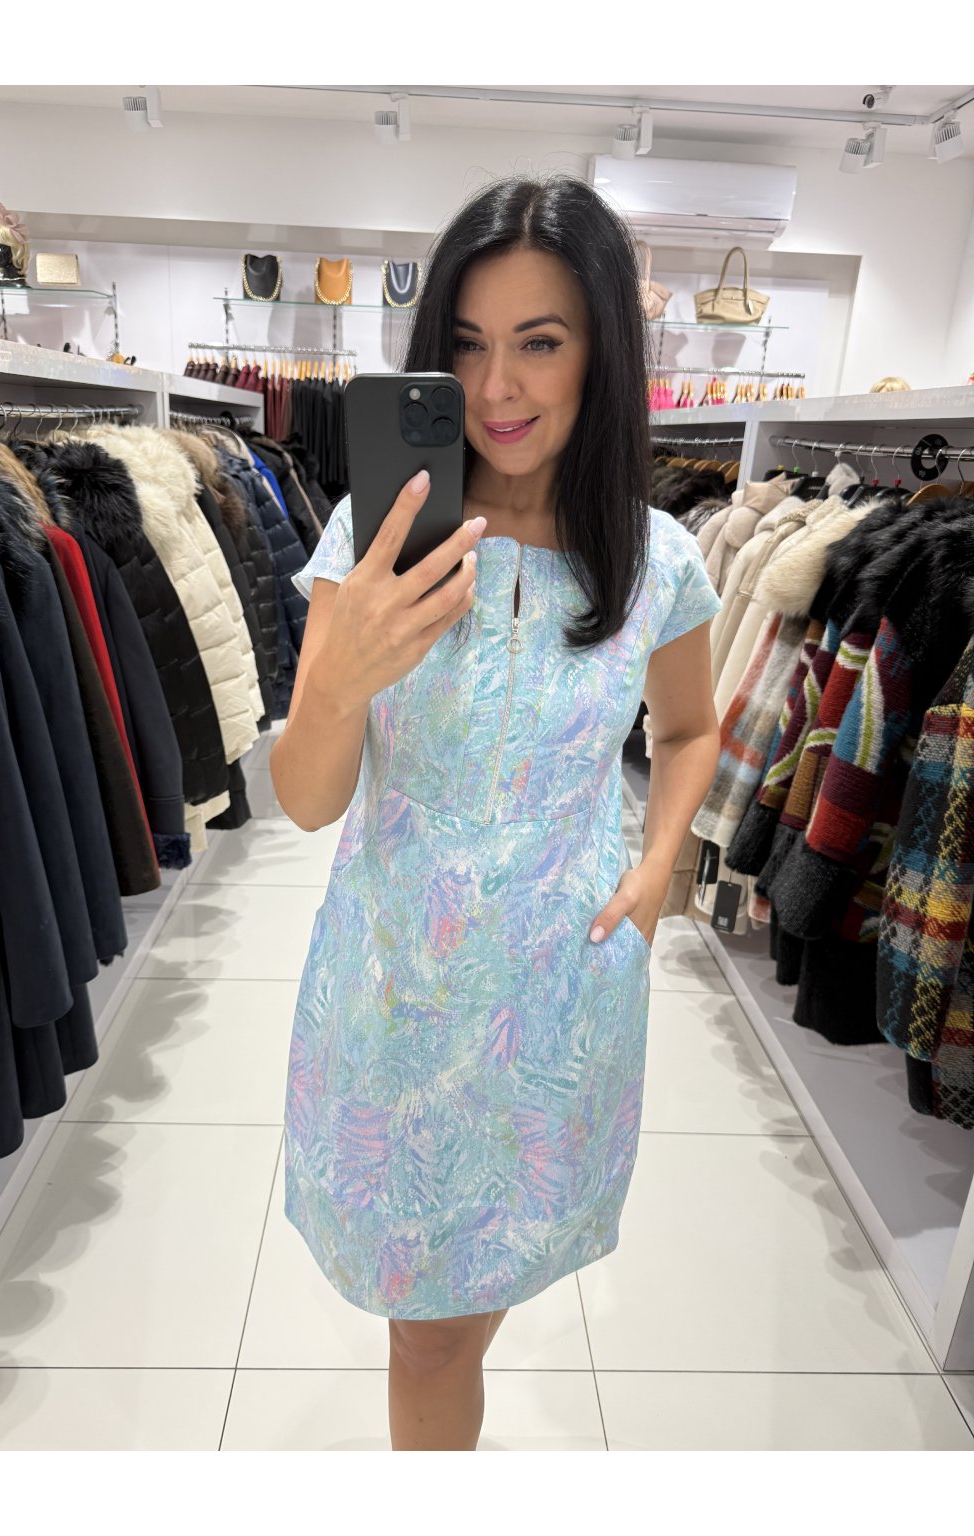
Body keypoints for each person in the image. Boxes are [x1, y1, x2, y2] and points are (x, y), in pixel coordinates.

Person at [270, 174, 722, 1451]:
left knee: (477, 1303)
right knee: (427, 1335)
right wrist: (340, 683)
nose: (497, 389)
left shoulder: (657, 559)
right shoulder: (375, 538)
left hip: (560, 1003)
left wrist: (658, 863)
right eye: (465, 346)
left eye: (540, 342)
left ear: (601, 352)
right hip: (395, 990)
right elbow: (305, 800)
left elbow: (689, 731)